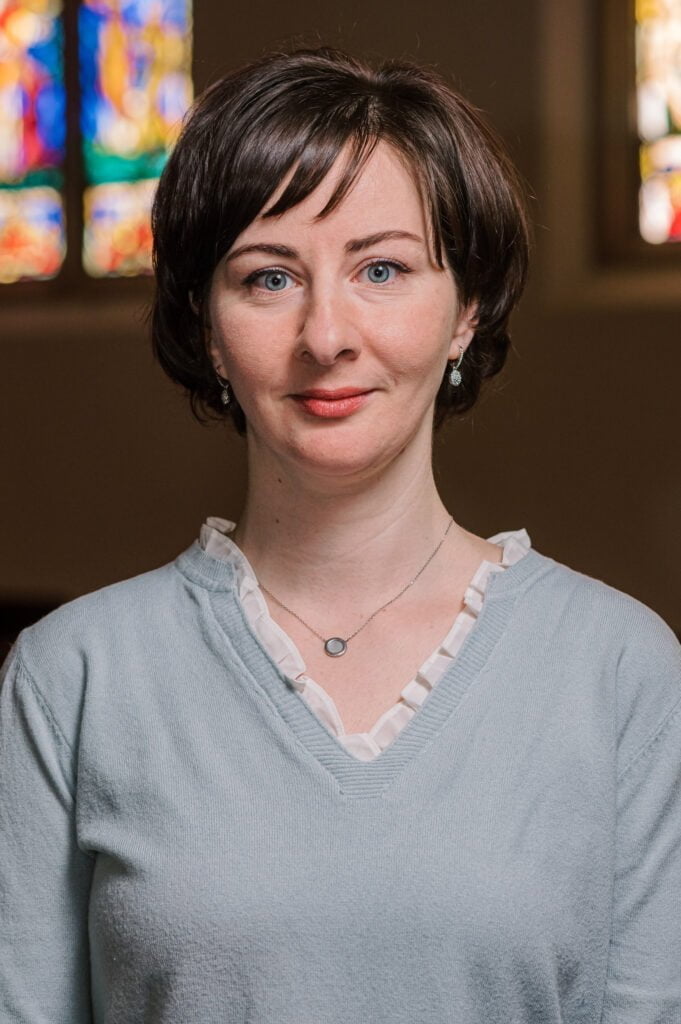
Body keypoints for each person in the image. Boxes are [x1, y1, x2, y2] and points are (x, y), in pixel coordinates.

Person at [1, 46, 680, 1024]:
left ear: (466, 310)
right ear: (205, 326)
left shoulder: (623, 674)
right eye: (269, 278)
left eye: (383, 268)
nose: (328, 335)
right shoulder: (73, 679)